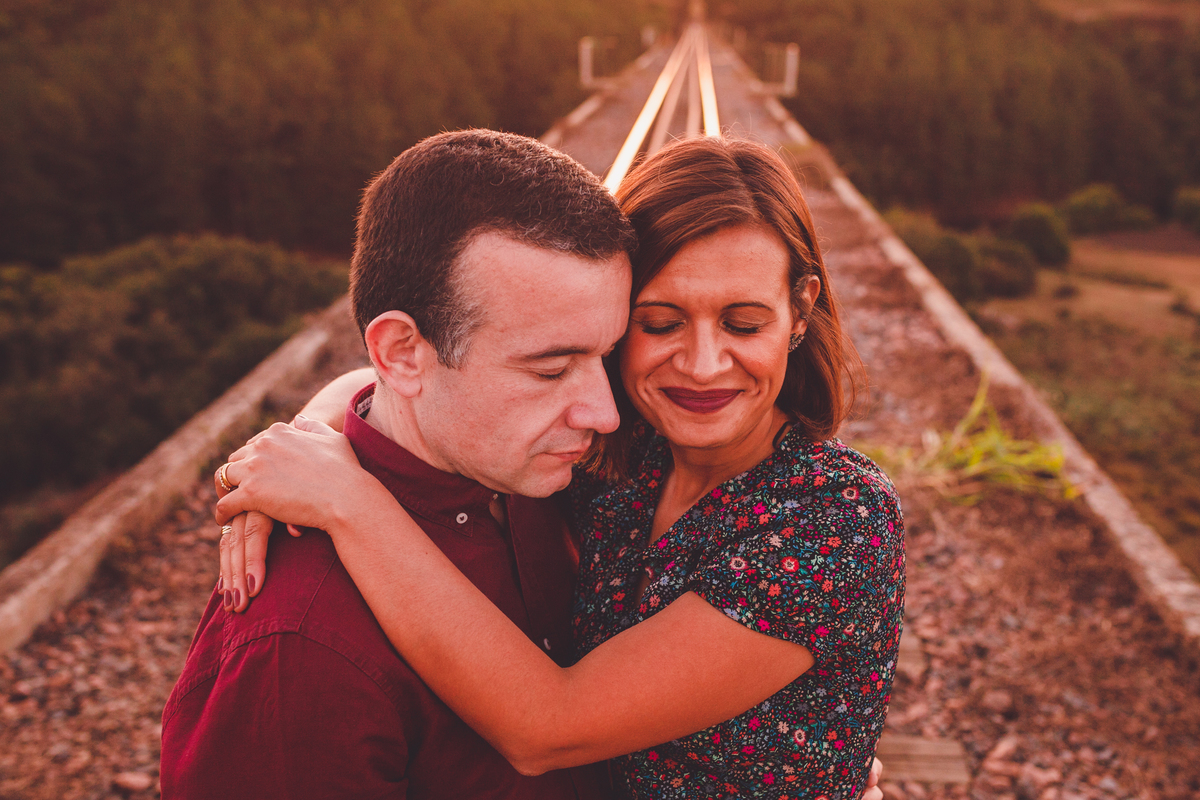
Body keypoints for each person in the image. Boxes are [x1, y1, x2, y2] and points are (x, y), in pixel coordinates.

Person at [214, 136, 903, 799]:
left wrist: (347, 497)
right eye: (659, 324)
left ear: (801, 310)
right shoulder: (618, 460)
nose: (702, 364)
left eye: (744, 324)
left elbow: (547, 726)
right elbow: (401, 370)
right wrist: (311, 434)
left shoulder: (836, 519)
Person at [160, 129, 638, 799]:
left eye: (606, 356)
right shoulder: (296, 649)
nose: (603, 413)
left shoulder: (525, 468)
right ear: (403, 353)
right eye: (551, 368)